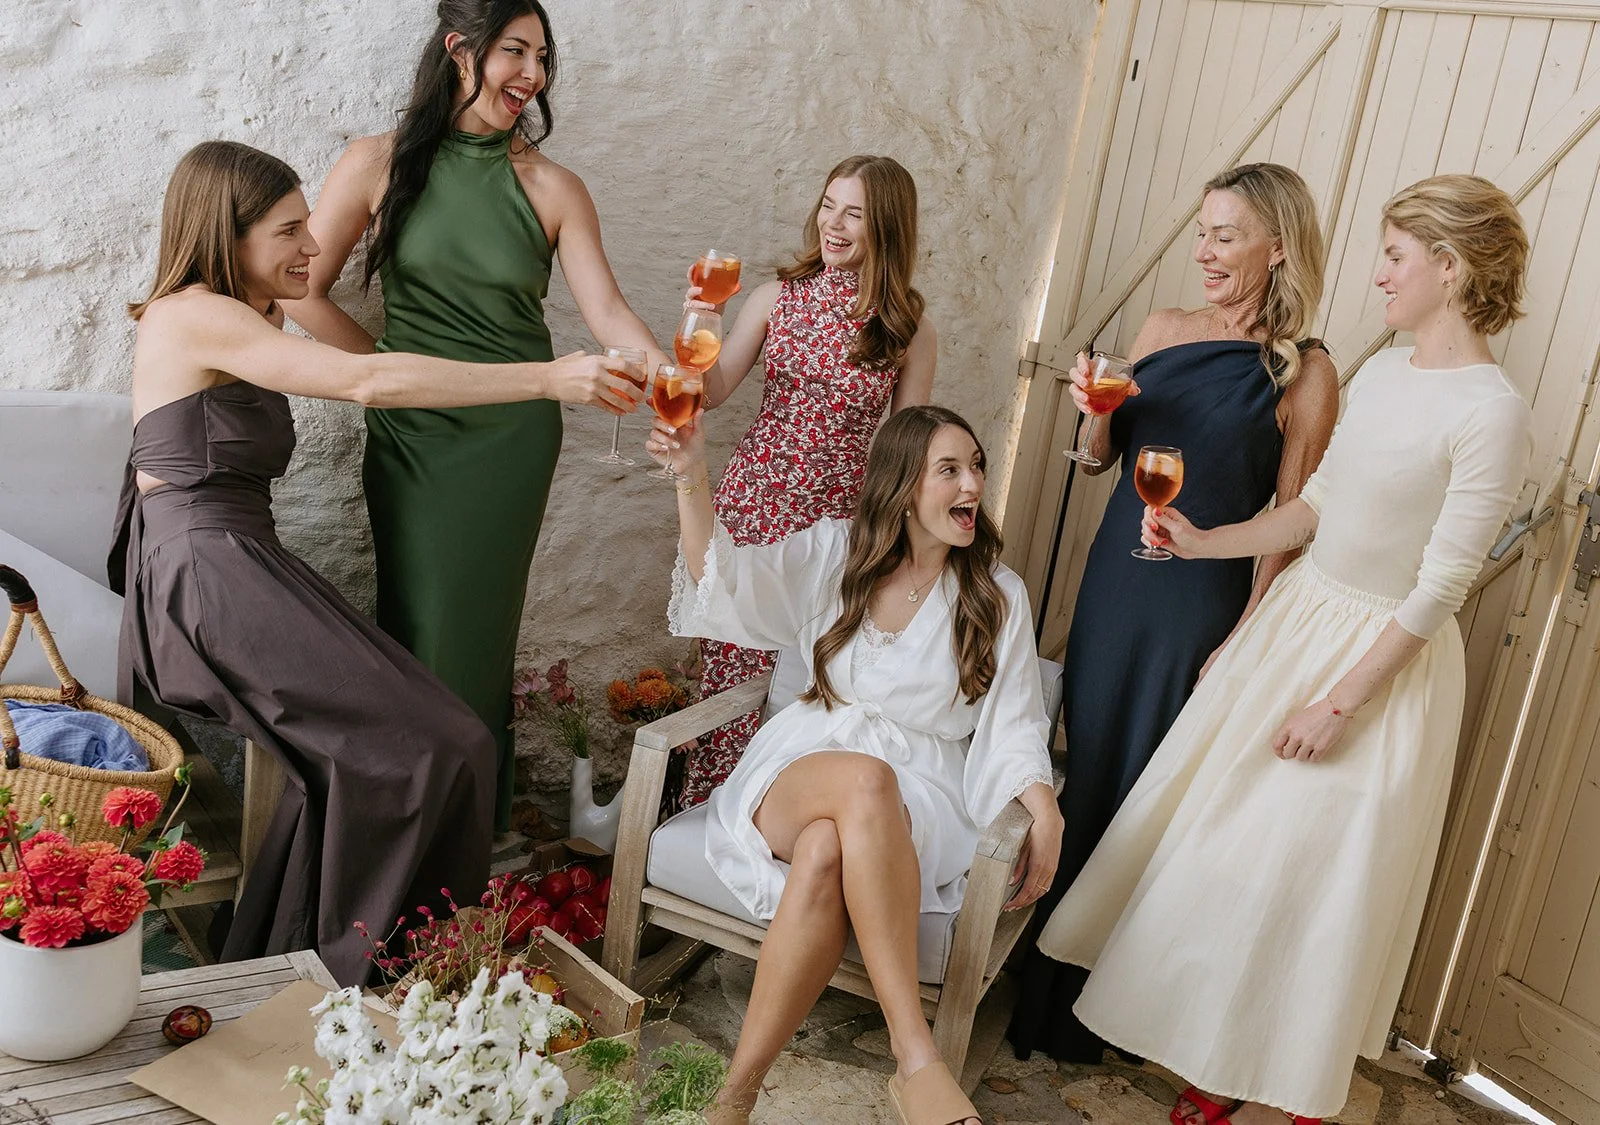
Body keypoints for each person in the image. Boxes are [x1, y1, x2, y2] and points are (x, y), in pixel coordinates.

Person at [1036, 174, 1534, 1124]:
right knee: (1239, 859)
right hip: (1300, 626)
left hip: (1380, 663)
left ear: (1450, 266)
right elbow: (1312, 509)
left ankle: (1285, 1089)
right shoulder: (1384, 372)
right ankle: (1224, 1063)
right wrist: (1201, 541)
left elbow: (1442, 585)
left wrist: (1340, 701)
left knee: (1317, 882)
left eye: (1395, 256)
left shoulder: (1493, 411)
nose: (1378, 273)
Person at [112, 140, 642, 985]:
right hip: (205, 579)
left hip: (238, 561)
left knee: (451, 739)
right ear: (226, 233)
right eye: (289, 231)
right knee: (436, 743)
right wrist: (545, 379)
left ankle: (374, 958)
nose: (312, 248)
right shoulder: (194, 315)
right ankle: (358, 967)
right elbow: (370, 383)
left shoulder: (243, 318)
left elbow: (375, 370)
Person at [281, 0, 666, 831]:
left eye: (543, 56)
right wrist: (383, 370)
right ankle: (407, 826)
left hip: (511, 440)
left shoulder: (554, 187)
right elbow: (299, 289)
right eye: (515, 51)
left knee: (478, 638)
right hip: (414, 434)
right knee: (417, 620)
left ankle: (463, 838)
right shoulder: (376, 162)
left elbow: (608, 311)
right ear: (461, 50)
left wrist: (666, 372)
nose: (533, 74)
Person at [1008, 163, 1339, 1062]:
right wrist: (1095, 414)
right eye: (1201, 232)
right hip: (1118, 581)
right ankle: (1036, 983)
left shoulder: (1306, 372)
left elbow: (1291, 523)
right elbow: (1098, 459)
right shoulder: (1161, 329)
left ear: (1278, 247)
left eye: (1226, 236)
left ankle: (1094, 1010)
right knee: (1090, 765)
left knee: (1149, 792)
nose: (1205, 251)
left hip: (1203, 603)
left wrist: (1246, 635)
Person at [648, 405, 1059, 1125]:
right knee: (865, 781)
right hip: (804, 765)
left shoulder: (998, 593)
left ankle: (734, 1098)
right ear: (902, 484)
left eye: (977, 466)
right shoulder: (836, 554)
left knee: (824, 853)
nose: (973, 484)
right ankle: (916, 1055)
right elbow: (727, 579)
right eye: (950, 469)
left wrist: (1045, 808)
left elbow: (1015, 720)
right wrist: (692, 474)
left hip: (921, 795)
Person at [676, 154, 937, 810]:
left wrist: (896, 545)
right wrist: (703, 317)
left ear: (886, 226)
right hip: (753, 510)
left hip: (835, 531)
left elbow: (905, 451)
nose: (833, 224)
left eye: (854, 214)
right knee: (730, 673)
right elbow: (712, 390)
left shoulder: (908, 328)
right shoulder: (777, 297)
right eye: (828, 206)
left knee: (804, 682)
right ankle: (707, 813)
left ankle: (778, 821)